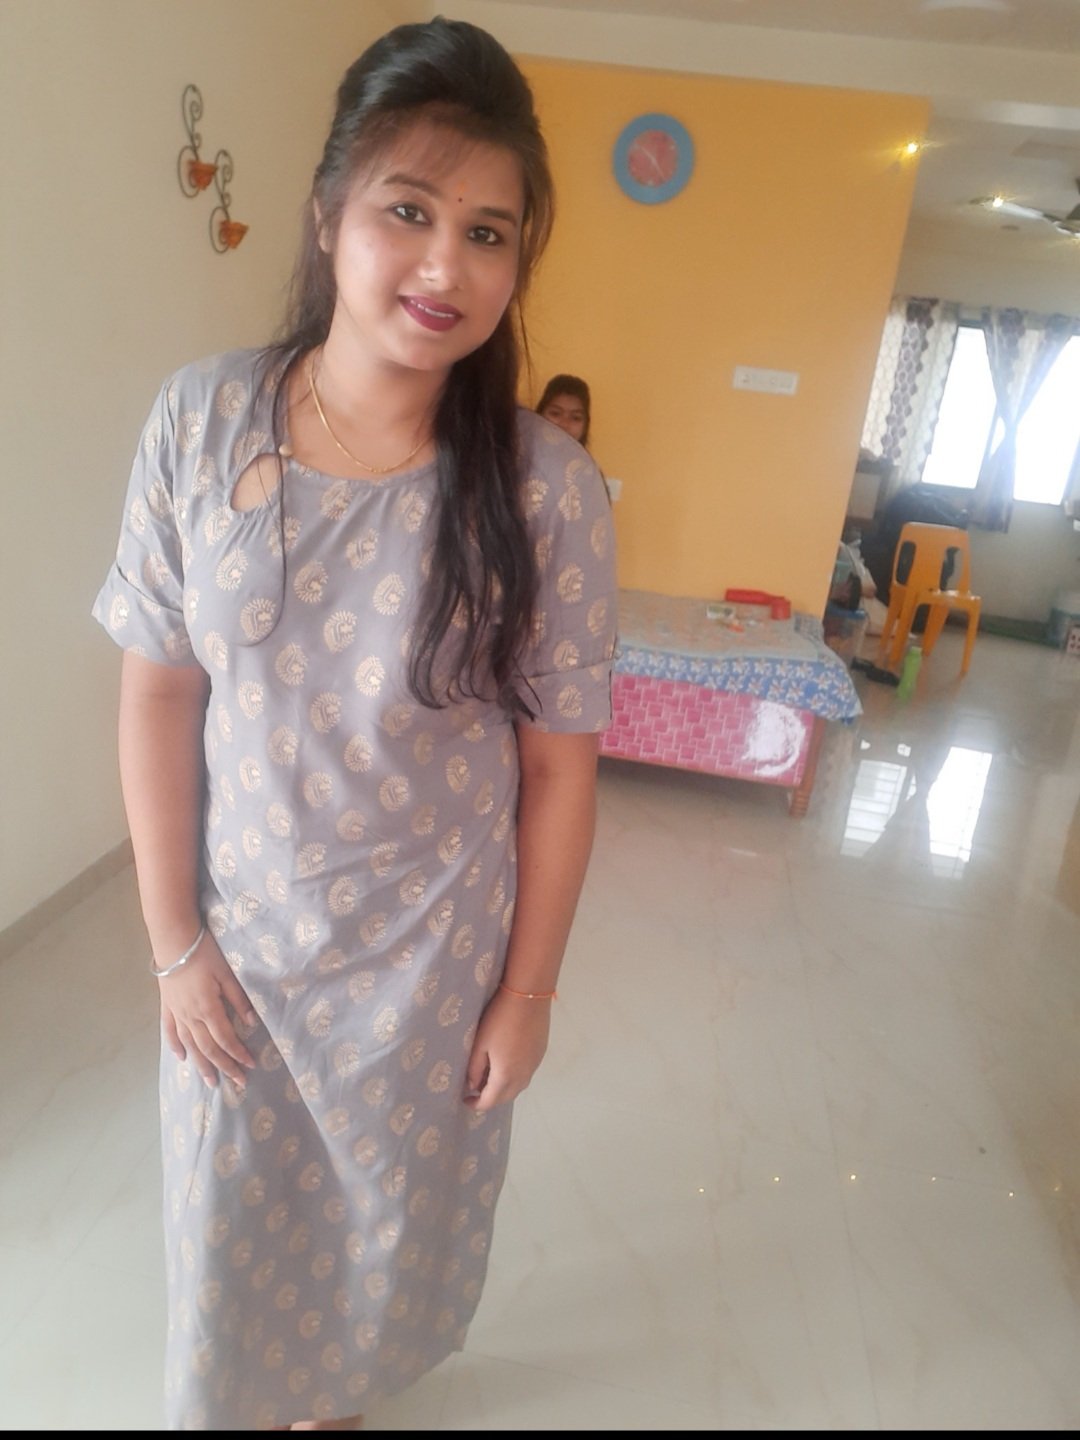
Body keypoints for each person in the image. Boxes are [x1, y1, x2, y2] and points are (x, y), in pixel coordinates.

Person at [92, 17, 617, 1432]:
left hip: (430, 963)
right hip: (241, 950)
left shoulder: (546, 490)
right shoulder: (202, 422)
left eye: (490, 234)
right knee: (230, 1220)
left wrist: (526, 992)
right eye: (409, 210)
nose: (446, 266)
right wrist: (173, 941)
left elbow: (559, 770)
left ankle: (337, 1407)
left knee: (382, 1232)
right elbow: (159, 686)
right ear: (329, 213)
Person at [536, 372, 592, 449]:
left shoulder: (585, 457)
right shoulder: (521, 454)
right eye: (555, 413)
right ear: (539, 414)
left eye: (575, 418)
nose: (564, 424)